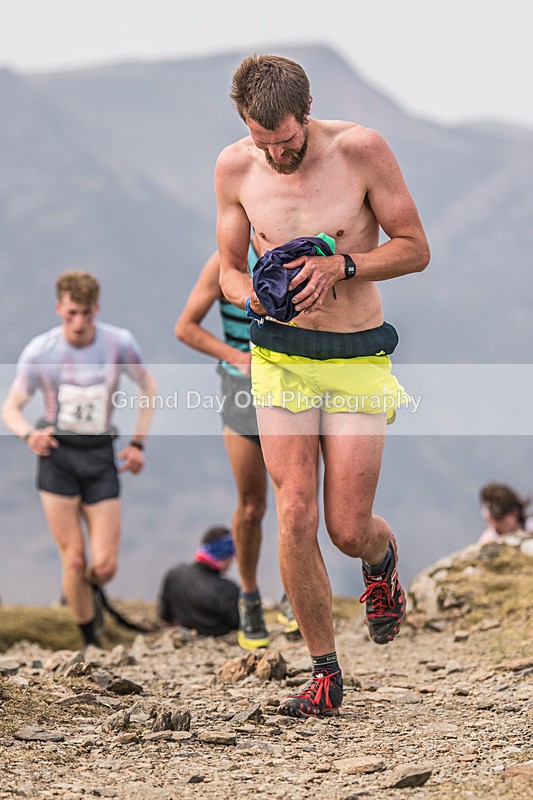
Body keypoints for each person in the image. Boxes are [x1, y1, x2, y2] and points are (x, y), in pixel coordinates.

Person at [215, 54, 430, 717]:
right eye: (263, 141)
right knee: (296, 512)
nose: (276, 155)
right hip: (279, 357)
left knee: (344, 527)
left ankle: (380, 557)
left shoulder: (361, 150)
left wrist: (343, 265)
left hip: (356, 356)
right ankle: (323, 672)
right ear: (245, 125)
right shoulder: (234, 167)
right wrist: (252, 293)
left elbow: (415, 247)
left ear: (305, 115)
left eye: (286, 140)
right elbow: (226, 268)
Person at [1, 271, 157, 648]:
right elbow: (12, 407)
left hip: (100, 455)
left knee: (103, 566)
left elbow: (149, 388)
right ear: (59, 308)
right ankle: (90, 640)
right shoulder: (41, 350)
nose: (79, 323)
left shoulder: (118, 343)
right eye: (71, 313)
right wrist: (28, 434)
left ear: (96, 310)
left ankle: (88, 592)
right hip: (59, 457)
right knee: (73, 559)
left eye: (86, 313)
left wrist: (138, 444)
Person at [175, 246, 298, 649]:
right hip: (241, 390)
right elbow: (186, 327)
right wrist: (234, 355)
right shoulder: (224, 262)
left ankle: (296, 592)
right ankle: (249, 595)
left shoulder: (296, 251)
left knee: (295, 499)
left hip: (290, 386)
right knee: (251, 505)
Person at [158, 525, 240, 636]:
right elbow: (237, 623)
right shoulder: (229, 589)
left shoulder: (175, 574)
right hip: (218, 638)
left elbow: (165, 616)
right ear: (225, 551)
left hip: (184, 634)